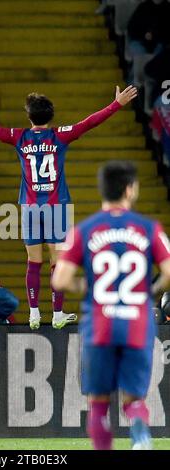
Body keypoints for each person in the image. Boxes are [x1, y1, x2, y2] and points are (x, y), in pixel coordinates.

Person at [0, 84, 137, 330]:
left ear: (29, 116)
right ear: (51, 115)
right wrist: (116, 103)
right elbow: (89, 123)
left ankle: (34, 313)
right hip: (57, 207)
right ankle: (57, 314)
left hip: (31, 208)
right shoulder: (60, 135)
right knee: (58, 263)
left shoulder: (19, 137)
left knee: (33, 262)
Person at [52, 160, 170, 450]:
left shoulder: (84, 230)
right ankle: (140, 433)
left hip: (100, 324)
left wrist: (86, 286)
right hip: (137, 322)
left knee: (98, 405)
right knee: (134, 400)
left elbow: (60, 280)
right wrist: (150, 289)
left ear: (102, 190)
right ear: (130, 189)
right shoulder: (149, 229)